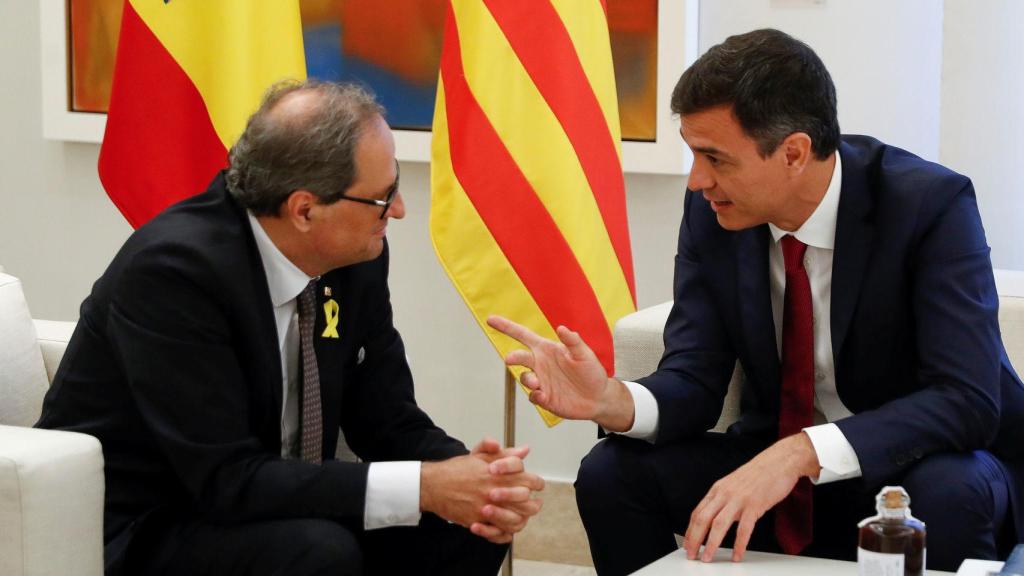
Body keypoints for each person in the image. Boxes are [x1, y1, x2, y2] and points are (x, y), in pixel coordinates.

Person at [488, 28, 1024, 575]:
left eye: (715, 158)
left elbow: (966, 398)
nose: (698, 180)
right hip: (774, 468)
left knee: (951, 488)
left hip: (912, 473)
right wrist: (611, 400)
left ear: (793, 152)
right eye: (694, 154)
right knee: (612, 472)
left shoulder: (927, 205)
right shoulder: (714, 214)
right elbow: (695, 379)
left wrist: (801, 453)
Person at [37, 80, 544, 576]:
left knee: (470, 524)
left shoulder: (355, 256)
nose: (399, 210)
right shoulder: (175, 274)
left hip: (270, 495)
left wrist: (478, 482)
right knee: (316, 550)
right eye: (383, 196)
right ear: (304, 209)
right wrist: (424, 486)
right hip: (149, 520)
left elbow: (389, 420)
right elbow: (224, 480)